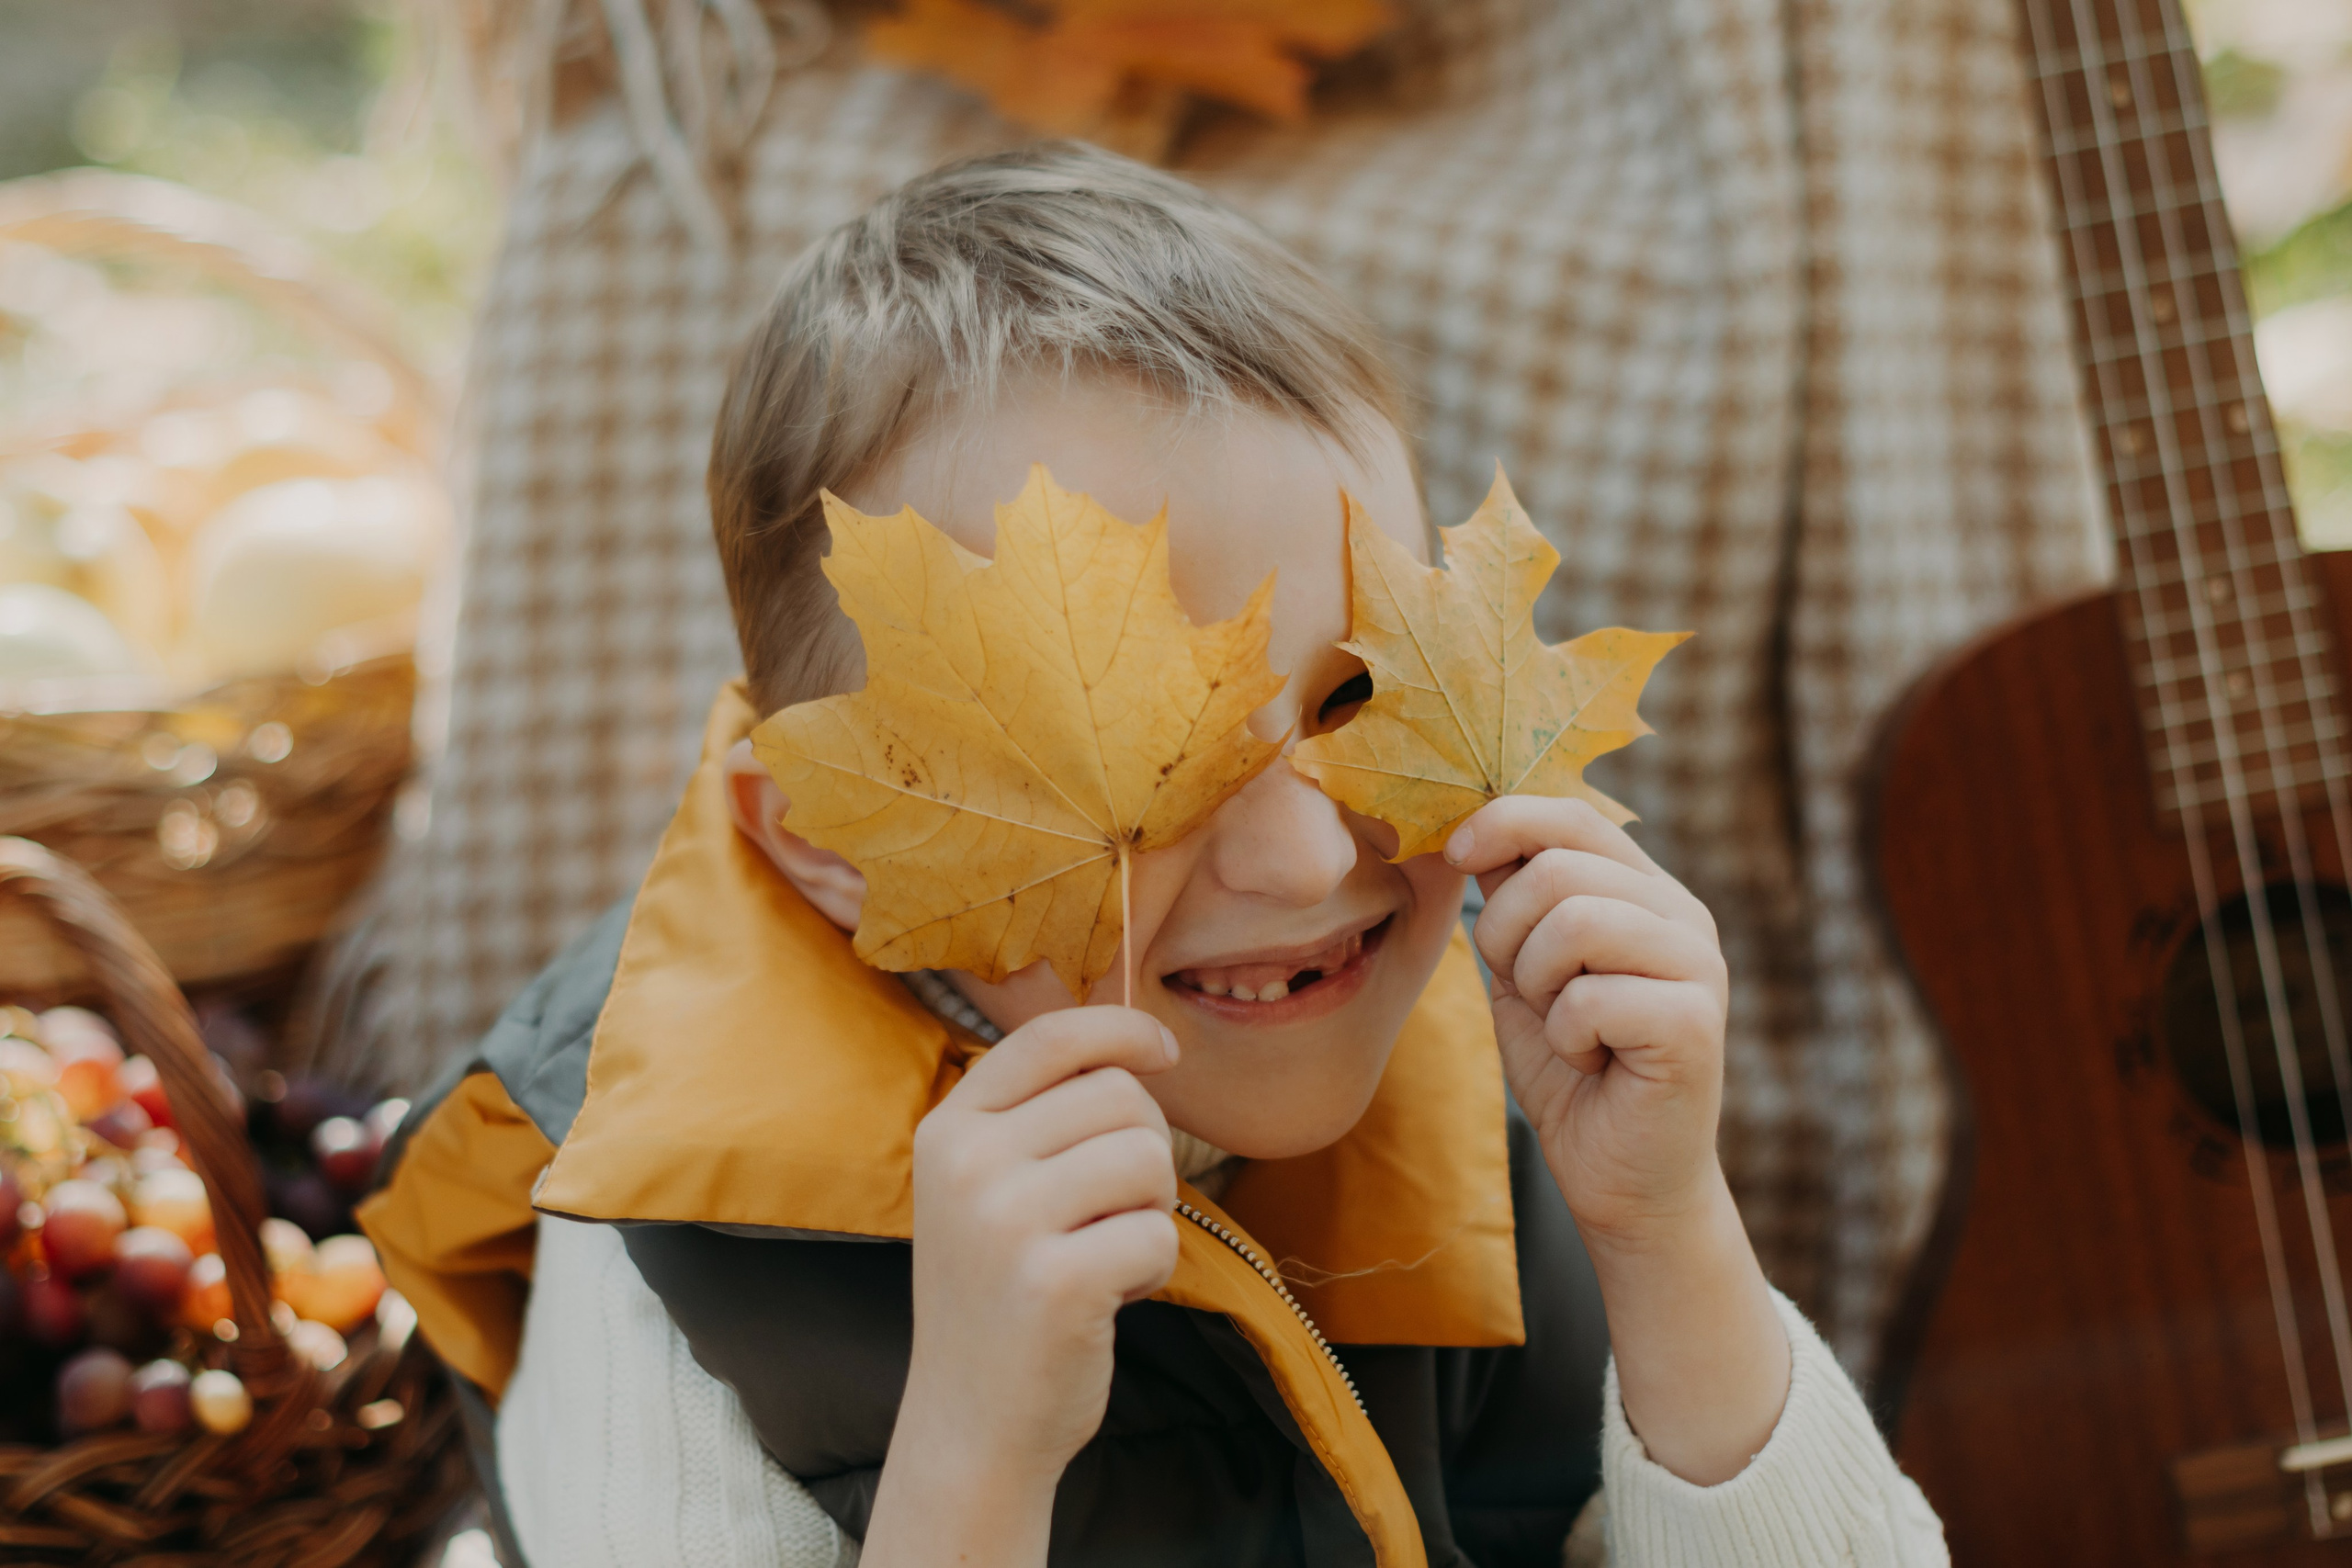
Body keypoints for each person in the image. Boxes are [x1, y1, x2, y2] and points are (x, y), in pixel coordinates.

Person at [361, 142, 1946, 1567]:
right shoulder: (672, 1252)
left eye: (1359, 695)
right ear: (836, 844)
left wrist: (1668, 1233)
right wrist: (973, 1458)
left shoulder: (1504, 1062)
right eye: (1136, 762)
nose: (1305, 849)